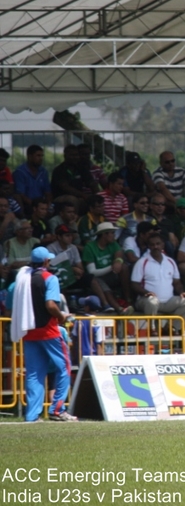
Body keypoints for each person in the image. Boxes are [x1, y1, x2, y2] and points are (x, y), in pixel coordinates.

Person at [10, 246, 77, 422]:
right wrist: (62, 316)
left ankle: (32, 415)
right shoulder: (50, 278)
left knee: (33, 374)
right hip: (48, 330)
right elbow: (50, 305)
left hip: (29, 331)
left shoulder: (23, 279)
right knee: (64, 368)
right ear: (46, 261)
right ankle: (58, 410)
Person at [131, 233, 185, 328]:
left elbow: (177, 283)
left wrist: (182, 292)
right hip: (146, 301)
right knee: (152, 301)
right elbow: (134, 284)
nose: (155, 246)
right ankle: (151, 328)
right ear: (149, 246)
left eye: (158, 244)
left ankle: (171, 327)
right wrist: (147, 293)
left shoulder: (170, 261)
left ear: (163, 245)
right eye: (152, 245)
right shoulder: (142, 262)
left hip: (168, 301)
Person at [83, 222, 132, 314]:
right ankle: (119, 309)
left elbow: (119, 254)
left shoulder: (113, 244)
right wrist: (111, 267)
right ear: (104, 234)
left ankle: (128, 299)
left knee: (124, 267)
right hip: (98, 277)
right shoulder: (89, 247)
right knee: (100, 283)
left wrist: (118, 261)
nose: (114, 235)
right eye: (112, 233)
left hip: (112, 275)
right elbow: (92, 271)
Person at [13, 144, 52, 216]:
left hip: (42, 204)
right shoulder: (20, 172)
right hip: (28, 204)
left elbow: (47, 191)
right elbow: (21, 194)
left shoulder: (43, 171)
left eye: (42, 156)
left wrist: (48, 204)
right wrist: (35, 205)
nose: (41, 158)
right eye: (38, 156)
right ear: (29, 156)